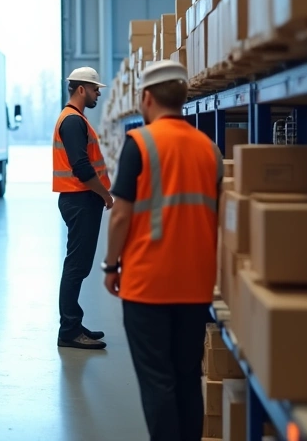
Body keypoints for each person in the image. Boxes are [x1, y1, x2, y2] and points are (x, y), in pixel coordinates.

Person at [102, 60, 221, 441]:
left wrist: (110, 264)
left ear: (147, 98)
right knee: (188, 378)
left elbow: (121, 216)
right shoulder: (209, 149)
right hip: (196, 286)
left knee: (158, 383)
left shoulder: (140, 144)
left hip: (149, 286)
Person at [53, 66, 114, 350]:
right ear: (81, 89)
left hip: (80, 199)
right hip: (80, 200)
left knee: (78, 265)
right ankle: (69, 331)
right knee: (76, 266)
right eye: (94, 89)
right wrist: (105, 195)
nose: (98, 93)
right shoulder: (72, 121)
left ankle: (73, 324)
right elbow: (80, 167)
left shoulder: (75, 120)